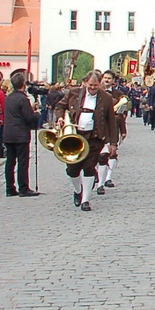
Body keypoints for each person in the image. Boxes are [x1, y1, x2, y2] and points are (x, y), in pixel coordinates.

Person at [54, 71, 117, 213]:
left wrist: (113, 143)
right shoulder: (74, 93)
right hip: (75, 136)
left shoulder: (106, 98)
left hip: (95, 138)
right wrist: (59, 118)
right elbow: (59, 106)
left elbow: (111, 121)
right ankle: (78, 191)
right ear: (85, 83)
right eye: (91, 85)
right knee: (72, 170)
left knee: (89, 167)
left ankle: (86, 200)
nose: (93, 88)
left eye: (96, 85)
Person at [2, 71, 40, 197]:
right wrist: (36, 114)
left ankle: (9, 187)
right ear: (23, 84)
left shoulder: (8, 98)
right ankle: (23, 187)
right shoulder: (23, 99)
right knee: (22, 162)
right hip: (21, 134)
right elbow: (28, 118)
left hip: (8, 133)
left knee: (10, 161)